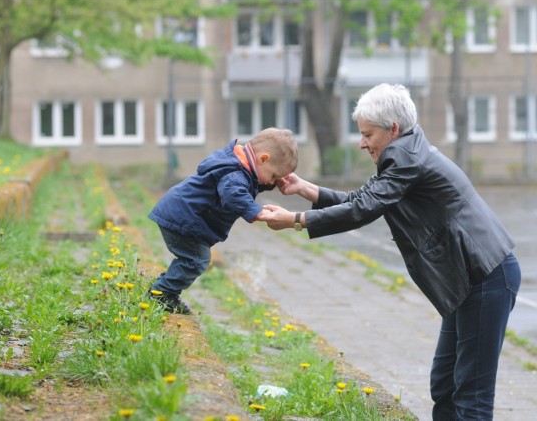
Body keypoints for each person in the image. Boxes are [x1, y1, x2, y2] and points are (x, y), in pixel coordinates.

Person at [258, 83, 521, 420]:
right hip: (469, 280)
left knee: (471, 396)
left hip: (486, 277)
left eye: (368, 134)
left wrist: (297, 220)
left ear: (392, 129)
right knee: (445, 385)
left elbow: (366, 208)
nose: (362, 142)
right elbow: (364, 200)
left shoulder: (405, 157)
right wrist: (306, 189)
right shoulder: (406, 154)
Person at [147, 127, 298, 314]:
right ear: (263, 159)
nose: (272, 182)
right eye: (274, 176)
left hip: (182, 214)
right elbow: (234, 194)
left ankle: (163, 288)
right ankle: (162, 293)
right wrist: (257, 212)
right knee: (197, 260)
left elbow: (250, 183)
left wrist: (273, 183)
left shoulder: (236, 165)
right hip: (185, 219)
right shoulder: (235, 173)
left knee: (192, 259)